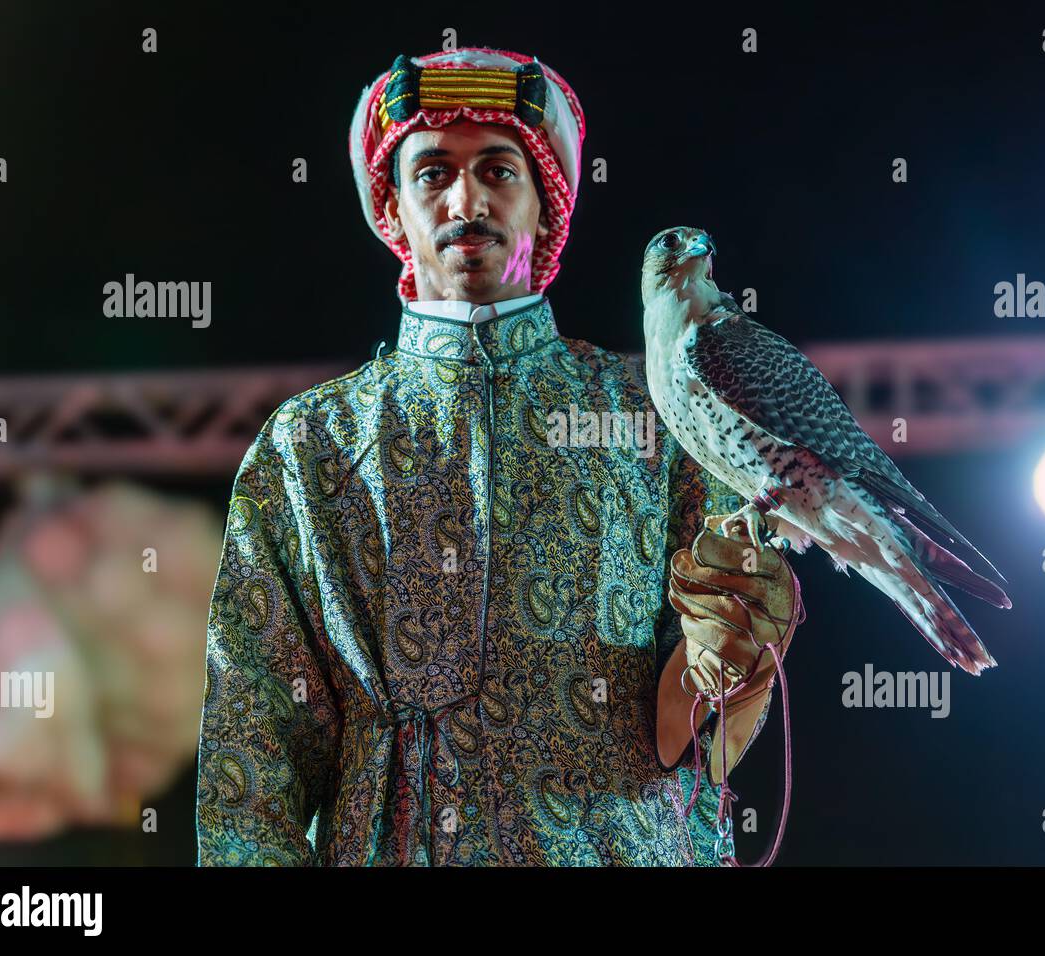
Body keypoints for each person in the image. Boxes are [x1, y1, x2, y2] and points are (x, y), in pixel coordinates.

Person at [194, 47, 803, 866]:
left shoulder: (653, 417)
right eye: (432, 174)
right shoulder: (311, 446)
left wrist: (738, 665)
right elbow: (252, 766)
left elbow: (688, 739)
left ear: (545, 207)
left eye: (498, 170)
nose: (465, 199)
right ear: (393, 210)